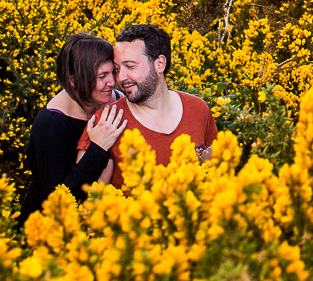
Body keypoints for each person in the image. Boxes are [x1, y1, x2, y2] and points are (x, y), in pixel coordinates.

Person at [77, 24, 218, 188]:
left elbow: (213, 178)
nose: (120, 78)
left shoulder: (198, 110)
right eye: (117, 69)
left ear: (160, 64)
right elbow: (87, 201)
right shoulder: (105, 122)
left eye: (130, 66)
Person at [18, 33, 128, 223]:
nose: (112, 82)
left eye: (113, 72)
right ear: (74, 81)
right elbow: (60, 196)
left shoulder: (117, 102)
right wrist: (98, 148)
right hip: (47, 230)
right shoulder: (52, 124)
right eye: (102, 76)